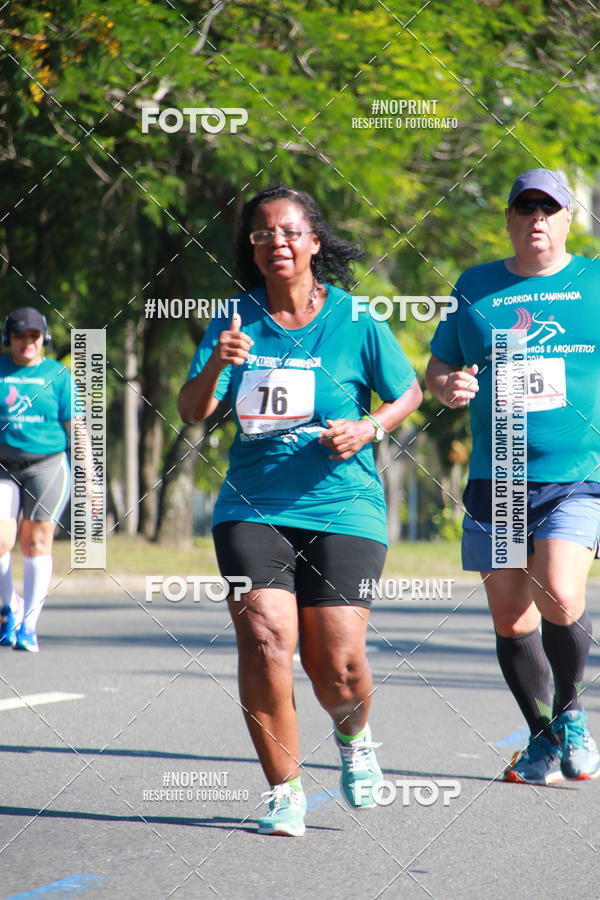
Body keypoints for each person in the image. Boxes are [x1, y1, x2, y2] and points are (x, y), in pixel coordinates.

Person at [178, 185, 422, 835]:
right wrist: (218, 368)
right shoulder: (234, 321)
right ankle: (284, 791)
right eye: (262, 235)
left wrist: (370, 428)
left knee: (336, 664)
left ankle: (355, 739)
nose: (276, 243)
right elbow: (193, 410)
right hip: (252, 505)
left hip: (346, 504)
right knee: (265, 640)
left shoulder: (356, 319)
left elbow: (407, 392)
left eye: (288, 232)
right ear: (251, 250)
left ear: (314, 241)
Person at [426, 168, 600, 785]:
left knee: (559, 590)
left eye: (548, 210)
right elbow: (441, 363)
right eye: (524, 208)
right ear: (508, 219)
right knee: (510, 617)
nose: (536, 219)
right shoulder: (477, 286)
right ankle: (541, 737)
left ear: (567, 219)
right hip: (496, 475)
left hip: (577, 473)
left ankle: (573, 714)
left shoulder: (596, 281)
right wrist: (446, 384)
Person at [0, 307, 72, 652]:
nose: (27, 342)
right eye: (19, 336)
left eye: (34, 336)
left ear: (44, 338)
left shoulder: (57, 375)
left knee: (36, 542)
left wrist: (90, 475)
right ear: (8, 339)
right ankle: (9, 606)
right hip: (4, 465)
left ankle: (29, 623)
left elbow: (76, 426)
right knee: (1, 540)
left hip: (48, 465)